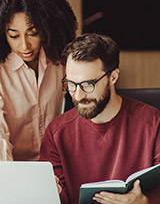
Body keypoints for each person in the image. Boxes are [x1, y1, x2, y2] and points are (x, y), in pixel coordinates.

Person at [40, 33, 160, 204]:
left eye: (88, 85)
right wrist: (54, 192)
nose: (78, 95)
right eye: (71, 84)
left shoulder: (153, 122)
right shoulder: (56, 132)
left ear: (113, 77)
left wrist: (144, 201)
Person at [0, 0, 77, 161]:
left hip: (53, 163)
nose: (25, 45)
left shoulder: (58, 60)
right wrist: (13, 178)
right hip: (11, 165)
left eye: (33, 33)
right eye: (14, 36)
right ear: (1, 34)